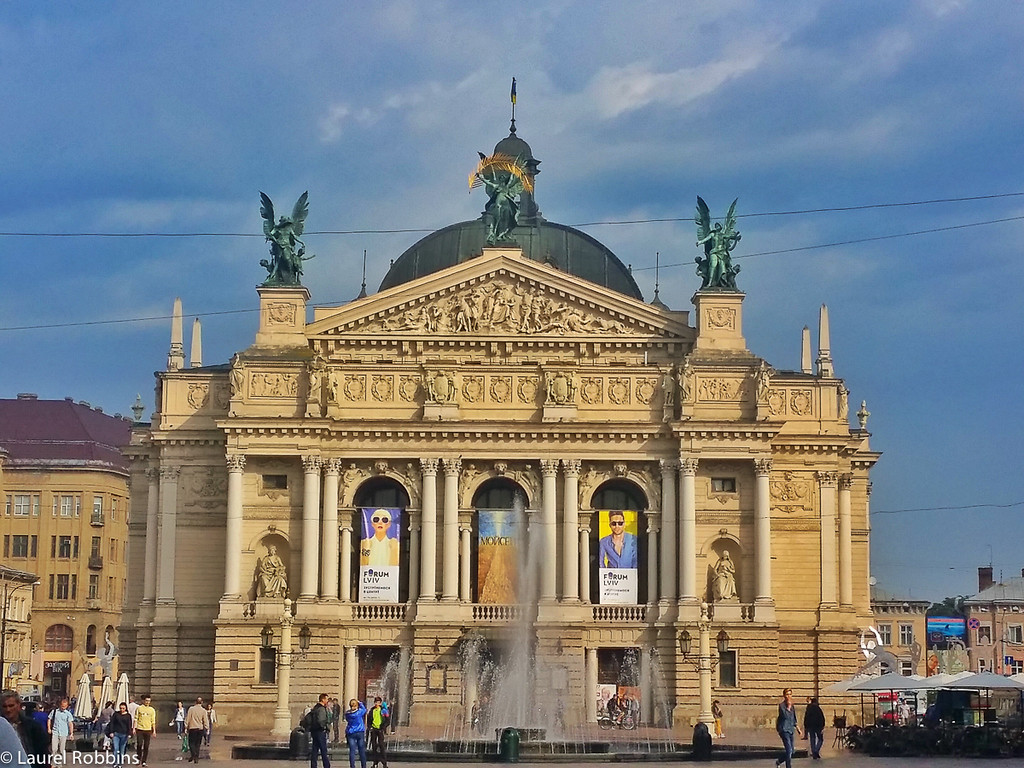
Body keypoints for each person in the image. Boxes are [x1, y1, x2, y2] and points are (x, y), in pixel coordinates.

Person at [1, 690, 48, 764]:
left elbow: (42, 751)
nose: (8, 710)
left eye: (11, 706)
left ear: (19, 706)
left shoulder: (32, 726)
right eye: (4, 706)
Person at [775, 688, 803, 768]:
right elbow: (785, 716)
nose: (788, 696)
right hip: (784, 729)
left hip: (791, 729)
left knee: (792, 751)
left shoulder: (792, 706)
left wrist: (798, 729)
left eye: (790, 694)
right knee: (789, 750)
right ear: (784, 695)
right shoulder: (782, 706)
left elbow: (793, 718)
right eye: (787, 694)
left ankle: (779, 761)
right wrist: (788, 706)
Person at [106, 702, 134, 768]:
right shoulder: (116, 714)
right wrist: (111, 732)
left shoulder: (128, 716)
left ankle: (120, 763)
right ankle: (116, 762)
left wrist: (129, 734)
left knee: (122, 749)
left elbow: (129, 725)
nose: (122, 710)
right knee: (116, 748)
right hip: (116, 734)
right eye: (121, 708)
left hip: (124, 735)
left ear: (126, 708)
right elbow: (112, 723)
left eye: (123, 708)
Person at [308, 693, 332, 768]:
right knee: (323, 750)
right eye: (327, 699)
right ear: (323, 699)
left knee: (315, 749)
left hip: (314, 731)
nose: (327, 701)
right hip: (320, 731)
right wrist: (325, 727)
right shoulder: (321, 709)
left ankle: (313, 765)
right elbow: (321, 720)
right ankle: (326, 765)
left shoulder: (315, 707)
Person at [48, 697, 74, 762]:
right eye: (62, 706)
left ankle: (59, 763)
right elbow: (49, 719)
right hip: (55, 732)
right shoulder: (54, 712)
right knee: (54, 749)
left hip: (63, 733)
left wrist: (71, 733)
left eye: (65, 706)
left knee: (62, 750)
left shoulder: (68, 714)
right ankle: (53, 763)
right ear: (60, 705)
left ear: (67, 706)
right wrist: (49, 728)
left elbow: (70, 723)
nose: (63, 707)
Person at [343, 698, 367, 768]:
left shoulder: (347, 714)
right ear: (356, 705)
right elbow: (364, 710)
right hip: (360, 732)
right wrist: (360, 703)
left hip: (351, 733)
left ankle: (352, 766)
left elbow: (347, 719)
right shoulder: (359, 712)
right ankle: (363, 765)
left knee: (352, 751)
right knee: (361, 750)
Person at [184, 697, 209, 764]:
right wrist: (207, 728)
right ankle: (196, 758)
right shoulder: (204, 710)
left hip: (192, 728)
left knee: (191, 743)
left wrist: (186, 727)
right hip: (200, 729)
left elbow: (188, 718)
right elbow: (205, 720)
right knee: (198, 744)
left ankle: (193, 755)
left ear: (195, 702)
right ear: (202, 702)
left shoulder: (191, 709)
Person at [365, 697, 389, 768]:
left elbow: (387, 720)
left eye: (378, 702)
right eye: (376, 702)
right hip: (374, 729)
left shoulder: (383, 710)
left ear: (380, 703)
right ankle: (375, 762)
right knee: (374, 746)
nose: (377, 703)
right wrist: (370, 727)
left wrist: (383, 727)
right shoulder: (372, 710)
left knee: (382, 746)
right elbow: (369, 719)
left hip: (380, 729)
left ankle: (384, 763)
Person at [134, 694, 156, 766]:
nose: (147, 702)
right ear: (143, 701)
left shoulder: (152, 710)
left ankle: (144, 761)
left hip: (148, 729)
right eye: (146, 701)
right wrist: (134, 728)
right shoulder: (139, 708)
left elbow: (153, 721)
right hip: (140, 729)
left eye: (149, 701)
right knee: (139, 744)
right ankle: (138, 758)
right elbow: (136, 719)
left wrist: (154, 731)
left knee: (146, 746)